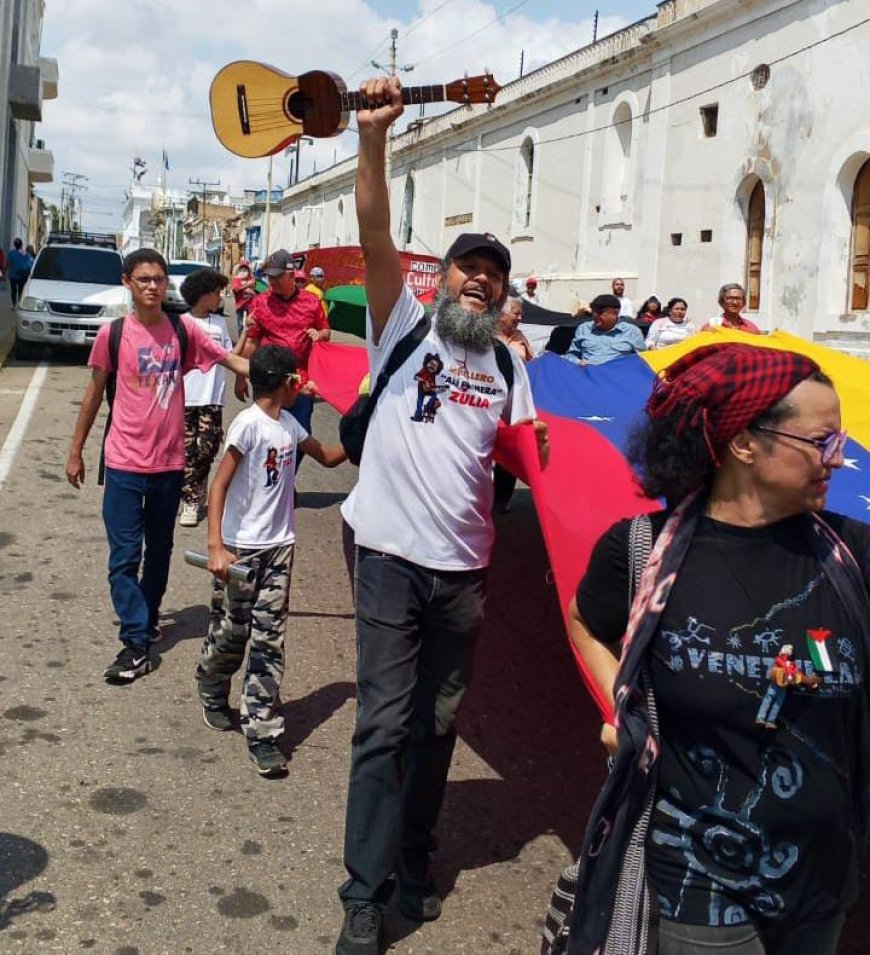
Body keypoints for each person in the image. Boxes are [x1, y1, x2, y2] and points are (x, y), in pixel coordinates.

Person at [561, 343, 867, 955]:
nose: (838, 458)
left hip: (823, 875)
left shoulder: (852, 554)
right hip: (695, 873)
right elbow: (584, 622)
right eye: (821, 442)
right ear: (745, 444)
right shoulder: (643, 551)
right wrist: (620, 709)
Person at [336, 74, 548, 955]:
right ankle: (363, 892)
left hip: (463, 575)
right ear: (444, 277)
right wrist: (374, 136)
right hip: (389, 556)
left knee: (436, 724)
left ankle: (415, 860)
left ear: (502, 295)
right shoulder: (405, 328)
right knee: (384, 723)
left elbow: (532, 463)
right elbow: (374, 232)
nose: (480, 281)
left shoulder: (509, 367)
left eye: (493, 276)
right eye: (468, 267)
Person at [65, 249, 250, 685]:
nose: (152, 286)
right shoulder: (113, 334)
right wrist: (76, 450)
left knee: (160, 551)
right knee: (124, 558)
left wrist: (285, 376)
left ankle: (146, 622)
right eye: (144, 279)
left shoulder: (182, 330)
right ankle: (135, 642)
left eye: (159, 279)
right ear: (127, 282)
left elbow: (232, 361)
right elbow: (93, 394)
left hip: (169, 464)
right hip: (124, 463)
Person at [195, 345, 346, 776]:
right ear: (286, 383)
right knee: (231, 633)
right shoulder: (249, 425)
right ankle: (211, 684)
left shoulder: (290, 425)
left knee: (268, 641)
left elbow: (328, 457)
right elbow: (218, 486)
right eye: (297, 378)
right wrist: (215, 545)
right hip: (240, 550)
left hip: (280, 548)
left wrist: (363, 427)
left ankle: (261, 731)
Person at [235, 249, 331, 444]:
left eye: (277, 277)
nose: (272, 282)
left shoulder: (312, 301)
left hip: (300, 382)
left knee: (301, 437)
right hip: (268, 381)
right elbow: (251, 342)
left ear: (291, 274)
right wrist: (240, 377)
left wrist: (319, 334)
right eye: (270, 277)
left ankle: (289, 464)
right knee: (266, 435)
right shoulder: (260, 303)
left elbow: (326, 331)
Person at [179, 268, 233, 527]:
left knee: (207, 448)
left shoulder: (220, 323)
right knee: (187, 450)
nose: (220, 297)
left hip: (212, 397)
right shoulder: (181, 323)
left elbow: (230, 355)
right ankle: (190, 500)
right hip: (185, 397)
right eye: (217, 292)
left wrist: (248, 332)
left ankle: (195, 490)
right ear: (203, 294)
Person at [494, 294, 535, 512]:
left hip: (513, 402)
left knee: (509, 450)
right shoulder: (485, 335)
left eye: (521, 314)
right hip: (490, 399)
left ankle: (502, 499)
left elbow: (532, 364)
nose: (519, 318)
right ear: (501, 314)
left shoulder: (521, 338)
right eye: (516, 313)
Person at [564, 293, 646, 365]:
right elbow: (570, 356)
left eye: (600, 313)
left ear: (616, 313)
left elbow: (644, 360)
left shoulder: (632, 332)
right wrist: (579, 362)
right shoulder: (583, 329)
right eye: (593, 312)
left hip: (618, 376)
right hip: (589, 375)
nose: (595, 315)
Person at [230, 259, 256, 335]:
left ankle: (248, 339)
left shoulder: (251, 278)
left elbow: (257, 287)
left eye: (246, 269)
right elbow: (235, 289)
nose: (244, 271)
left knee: (251, 325)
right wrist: (247, 285)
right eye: (242, 269)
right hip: (240, 306)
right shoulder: (236, 279)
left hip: (251, 306)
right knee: (241, 325)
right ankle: (241, 340)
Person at [7, 238, 33, 307]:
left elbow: (8, 263)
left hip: (12, 275)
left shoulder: (11, 253)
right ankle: (19, 303)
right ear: (21, 245)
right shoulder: (25, 253)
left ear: (14, 245)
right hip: (22, 275)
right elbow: (30, 263)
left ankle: (14, 304)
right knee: (21, 290)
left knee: (13, 290)